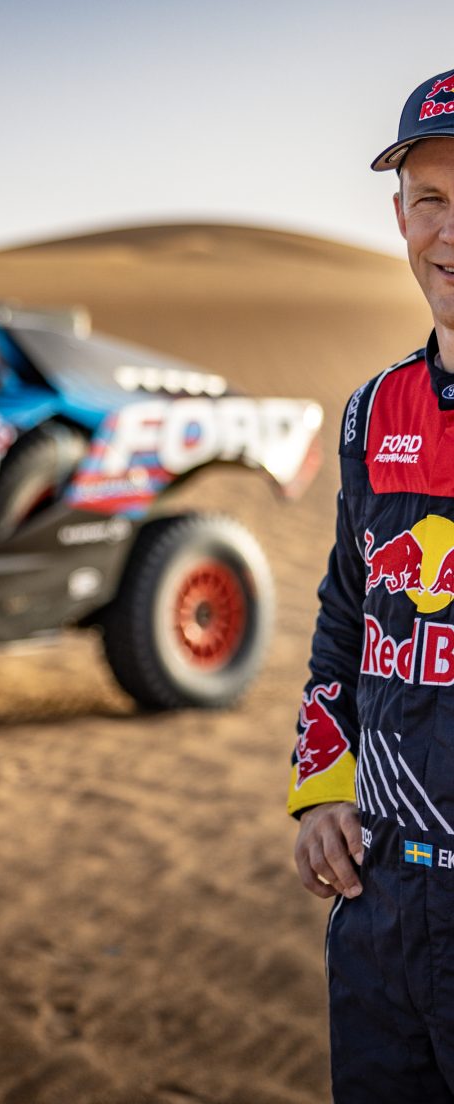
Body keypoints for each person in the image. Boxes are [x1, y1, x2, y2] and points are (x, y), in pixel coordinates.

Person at [289, 67, 454, 1104]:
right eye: (431, 200)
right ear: (399, 218)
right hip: (383, 907)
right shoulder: (370, 414)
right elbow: (345, 617)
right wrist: (319, 792)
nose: (450, 232)